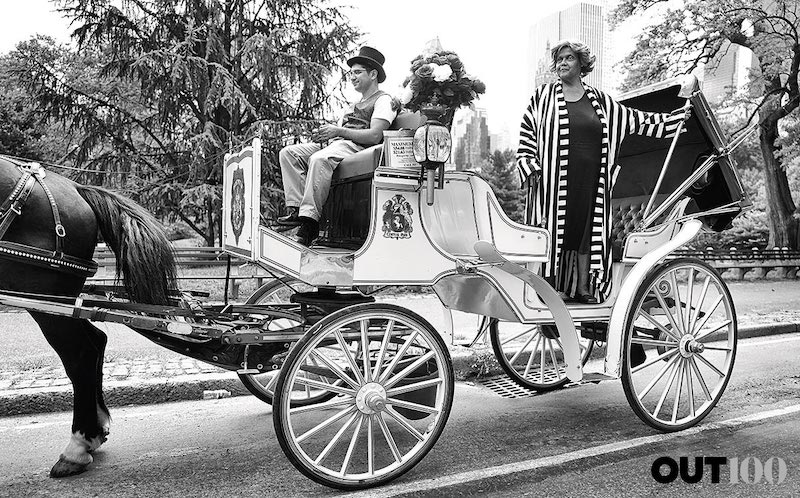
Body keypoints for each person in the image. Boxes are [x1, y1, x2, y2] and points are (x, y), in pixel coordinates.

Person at [516, 39, 690, 304]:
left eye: (569, 58)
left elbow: (636, 119)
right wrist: (529, 164)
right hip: (554, 180)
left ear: (582, 64)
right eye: (560, 59)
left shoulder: (599, 101)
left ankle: (584, 289)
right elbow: (528, 131)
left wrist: (675, 119)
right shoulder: (543, 97)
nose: (562, 63)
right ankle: (553, 288)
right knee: (558, 229)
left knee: (587, 231)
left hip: (592, 180)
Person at [277, 46, 398, 246]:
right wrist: (327, 135)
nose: (352, 77)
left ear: (373, 74)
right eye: (351, 73)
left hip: (360, 147)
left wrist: (338, 131)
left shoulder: (384, 100)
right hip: (339, 144)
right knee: (289, 153)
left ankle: (309, 223)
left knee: (319, 159)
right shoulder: (355, 103)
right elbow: (340, 135)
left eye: (358, 72)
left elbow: (375, 135)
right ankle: (297, 210)